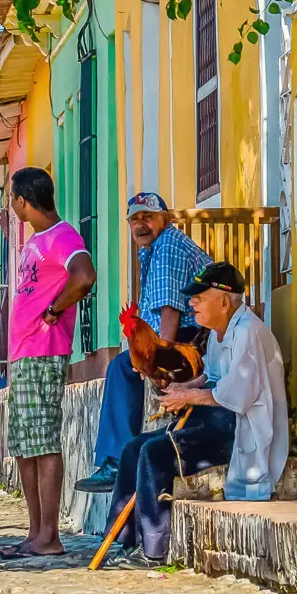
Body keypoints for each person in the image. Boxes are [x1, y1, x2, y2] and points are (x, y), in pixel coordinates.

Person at [107, 262, 288, 563]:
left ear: (224, 301)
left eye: (199, 297)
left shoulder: (247, 333)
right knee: (132, 448)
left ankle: (153, 549)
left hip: (240, 427)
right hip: (217, 418)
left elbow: (238, 395)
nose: (191, 303)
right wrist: (184, 389)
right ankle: (124, 539)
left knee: (155, 454)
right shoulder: (218, 333)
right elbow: (213, 378)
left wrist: (190, 395)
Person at [75, 192, 213, 492]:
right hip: (186, 335)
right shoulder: (154, 249)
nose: (140, 225)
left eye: (147, 218)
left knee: (121, 369)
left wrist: (156, 359)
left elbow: (169, 308)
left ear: (164, 219)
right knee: (126, 365)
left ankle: (115, 461)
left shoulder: (168, 247)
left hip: (193, 336)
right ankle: (120, 459)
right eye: (134, 220)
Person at [0, 165, 96, 561]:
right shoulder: (35, 239)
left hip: (44, 352)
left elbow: (85, 276)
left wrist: (55, 310)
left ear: (24, 200)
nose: (12, 204)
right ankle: (35, 532)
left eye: (12, 198)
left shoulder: (63, 236)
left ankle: (50, 535)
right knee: (24, 445)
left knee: (43, 441)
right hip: (24, 354)